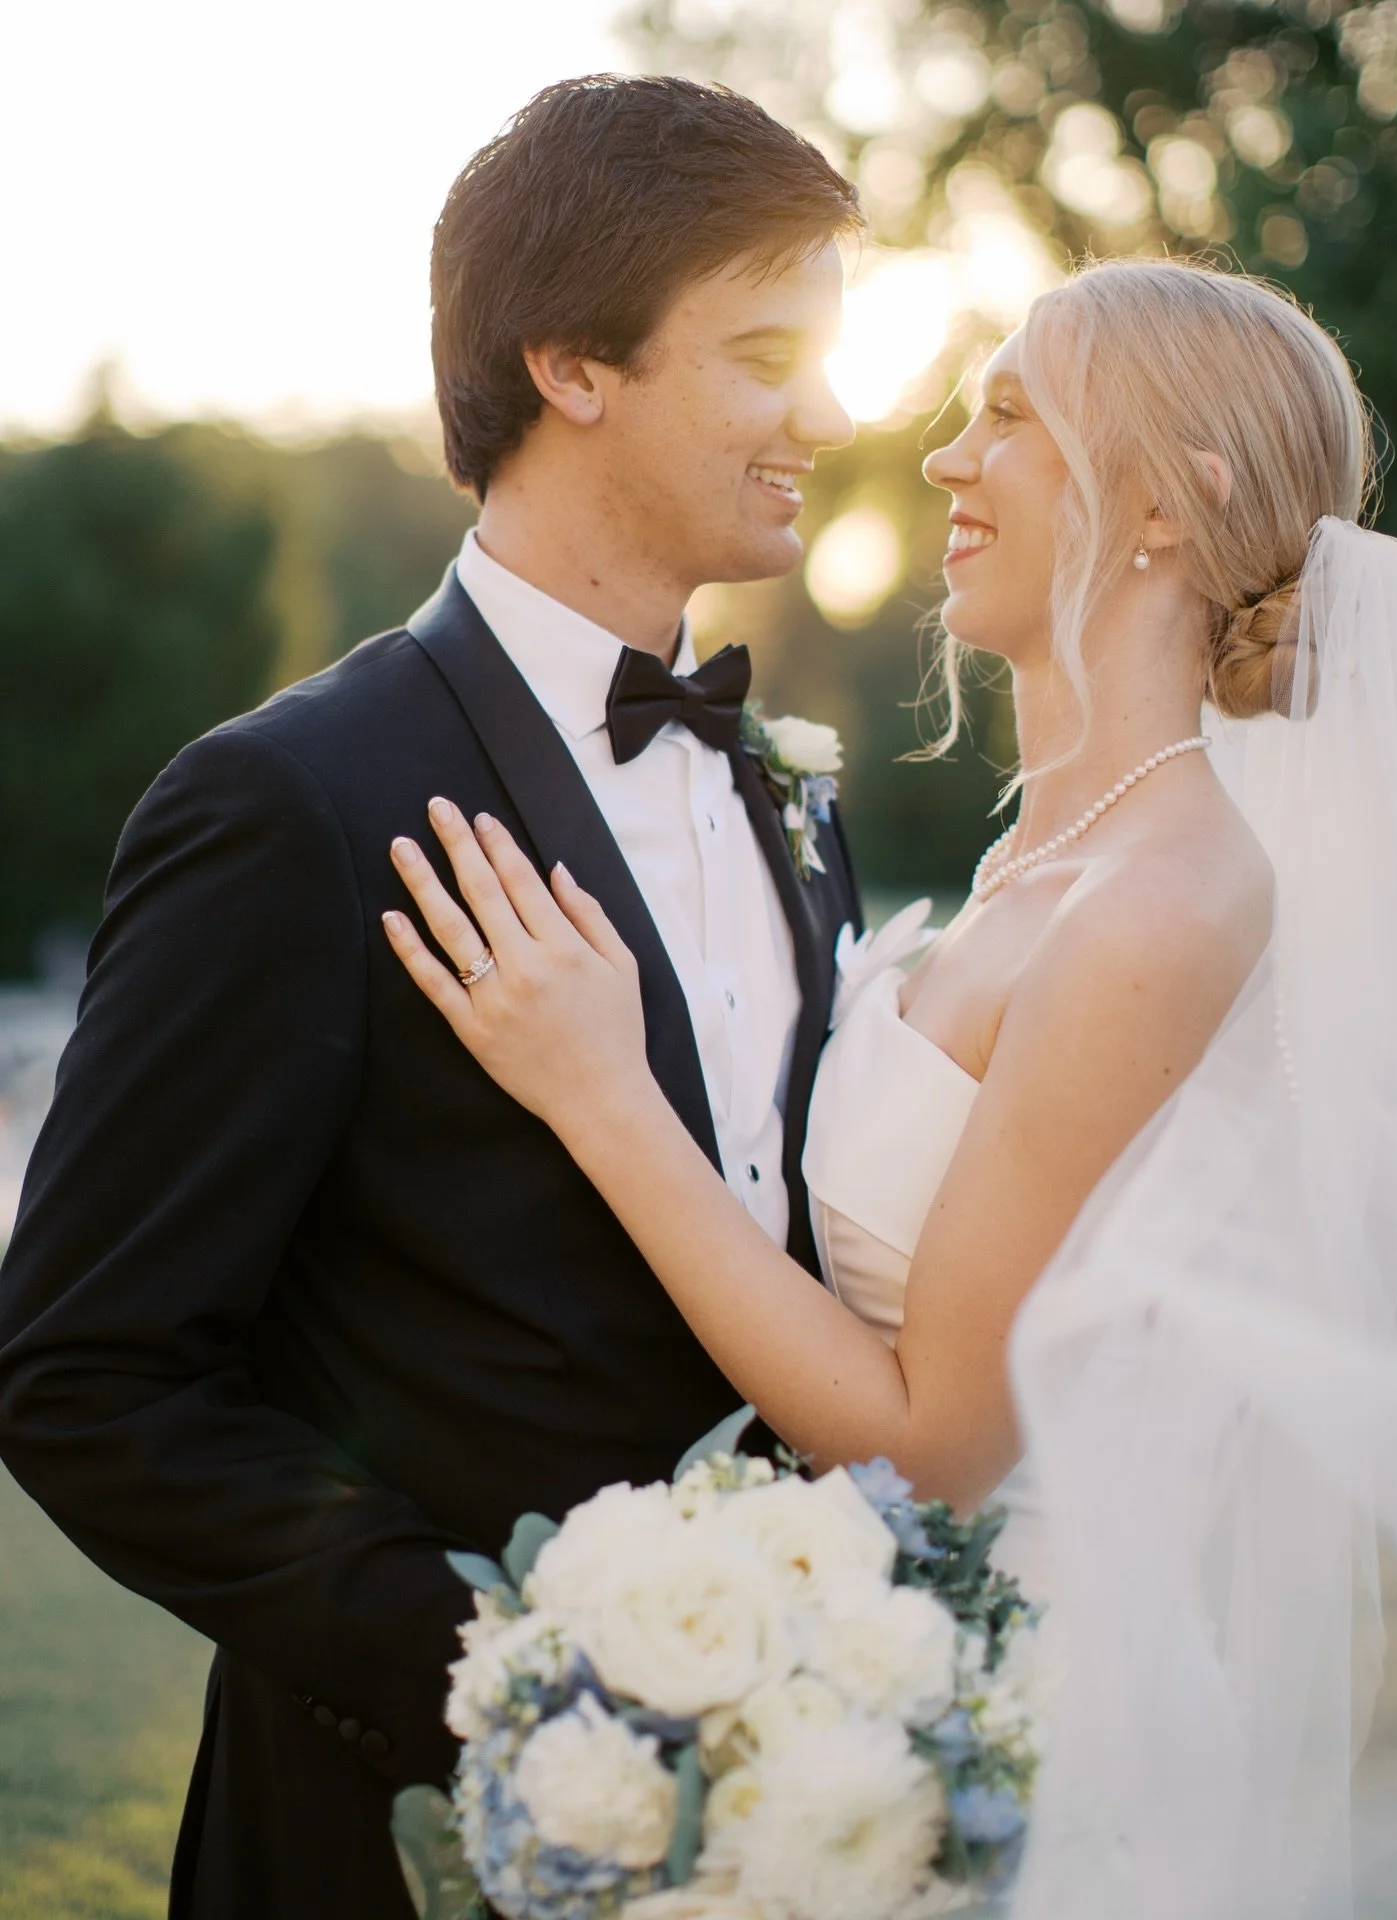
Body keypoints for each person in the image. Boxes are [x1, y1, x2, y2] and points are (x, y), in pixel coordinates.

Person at [385, 259, 1397, 1918]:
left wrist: (599, 1094)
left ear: (1165, 500)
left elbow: (933, 1440)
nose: (945, 459)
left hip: (1003, 1717)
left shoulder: (1167, 899)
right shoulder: (1044, 856)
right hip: (871, 1652)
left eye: (1007, 415)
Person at [0, 77, 863, 1920]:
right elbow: (85, 1374)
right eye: (770, 352)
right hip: (388, 1836)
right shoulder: (292, 800)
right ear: (572, 362)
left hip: (788, 1820)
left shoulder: (787, 791)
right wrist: (506, 1677)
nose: (834, 416)